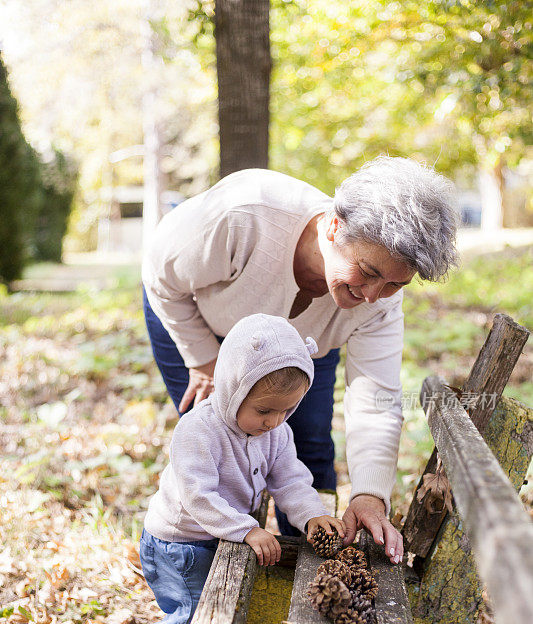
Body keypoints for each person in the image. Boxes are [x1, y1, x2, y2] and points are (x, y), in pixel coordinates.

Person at [142, 156, 458, 566]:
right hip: (196, 316)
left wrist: (369, 493)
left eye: (395, 284)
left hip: (303, 347)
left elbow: (375, 396)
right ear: (333, 227)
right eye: (367, 271)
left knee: (306, 447)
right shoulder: (244, 212)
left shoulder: (378, 303)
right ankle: (209, 560)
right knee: (221, 441)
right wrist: (203, 359)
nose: (372, 296)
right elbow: (160, 276)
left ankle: (307, 565)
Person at [139, 314, 345, 624]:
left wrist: (312, 515)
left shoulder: (276, 432)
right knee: (191, 614)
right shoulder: (199, 430)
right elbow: (197, 496)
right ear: (233, 388)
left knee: (215, 610)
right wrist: (247, 530)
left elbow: (290, 480)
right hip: (180, 543)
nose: (275, 421)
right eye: (264, 410)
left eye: (287, 410)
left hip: (221, 533)